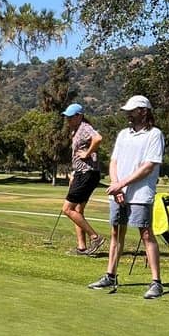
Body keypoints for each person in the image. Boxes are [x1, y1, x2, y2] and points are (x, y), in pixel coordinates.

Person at [87, 95, 165, 299]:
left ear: (144, 111)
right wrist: (117, 185)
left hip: (140, 193)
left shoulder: (155, 135)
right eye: (127, 111)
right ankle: (110, 275)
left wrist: (121, 184)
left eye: (132, 111)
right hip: (118, 192)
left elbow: (148, 166)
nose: (128, 115)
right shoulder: (123, 134)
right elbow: (114, 162)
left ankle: (156, 282)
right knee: (115, 233)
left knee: (146, 234)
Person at [60, 103, 105, 256]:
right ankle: (82, 248)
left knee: (67, 209)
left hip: (87, 173)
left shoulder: (85, 127)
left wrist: (87, 154)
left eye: (70, 117)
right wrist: (74, 172)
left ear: (79, 116)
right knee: (78, 210)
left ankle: (96, 237)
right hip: (82, 173)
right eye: (67, 117)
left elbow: (98, 139)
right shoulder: (76, 130)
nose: (67, 120)